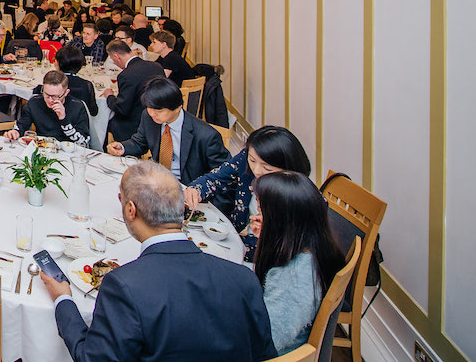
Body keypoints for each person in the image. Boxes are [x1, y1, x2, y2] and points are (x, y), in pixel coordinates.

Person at [40, 162, 277, 362]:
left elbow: (92, 358)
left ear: (130, 210)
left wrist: (63, 299)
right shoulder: (244, 278)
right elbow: (266, 355)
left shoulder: (124, 287)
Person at [185, 126, 312, 260]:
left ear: (287, 169)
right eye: (252, 160)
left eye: (267, 168)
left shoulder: (300, 196)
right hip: (234, 238)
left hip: (265, 258)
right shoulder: (246, 159)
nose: (256, 170)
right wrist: (196, 189)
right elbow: (215, 178)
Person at [253, 172, 346, 355]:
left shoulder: (294, 279)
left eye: (261, 212)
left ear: (281, 222)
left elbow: (268, 340)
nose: (258, 218)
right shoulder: (313, 249)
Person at [109, 77, 229, 184]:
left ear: (177, 108)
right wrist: (122, 147)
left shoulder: (206, 135)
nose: (152, 113)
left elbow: (223, 174)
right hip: (157, 181)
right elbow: (140, 143)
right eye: (149, 108)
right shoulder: (148, 117)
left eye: (159, 111)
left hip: (187, 187)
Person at [102, 39, 166, 143]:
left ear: (117, 57)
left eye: (113, 60)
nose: (115, 63)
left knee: (104, 121)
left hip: (134, 125)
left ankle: (109, 149)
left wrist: (109, 96)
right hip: (159, 119)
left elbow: (122, 108)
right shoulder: (156, 66)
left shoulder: (126, 75)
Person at [7, 69, 91, 146]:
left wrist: (64, 120)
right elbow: (21, 125)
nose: (50, 100)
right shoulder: (35, 103)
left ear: (66, 93)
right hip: (42, 148)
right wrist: (15, 132)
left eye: (55, 96)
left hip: (69, 151)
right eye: (47, 94)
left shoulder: (77, 107)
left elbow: (83, 142)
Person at [54, 45, 99, 116]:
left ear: (57, 63)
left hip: (55, 119)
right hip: (79, 120)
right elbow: (93, 112)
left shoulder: (52, 82)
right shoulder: (86, 85)